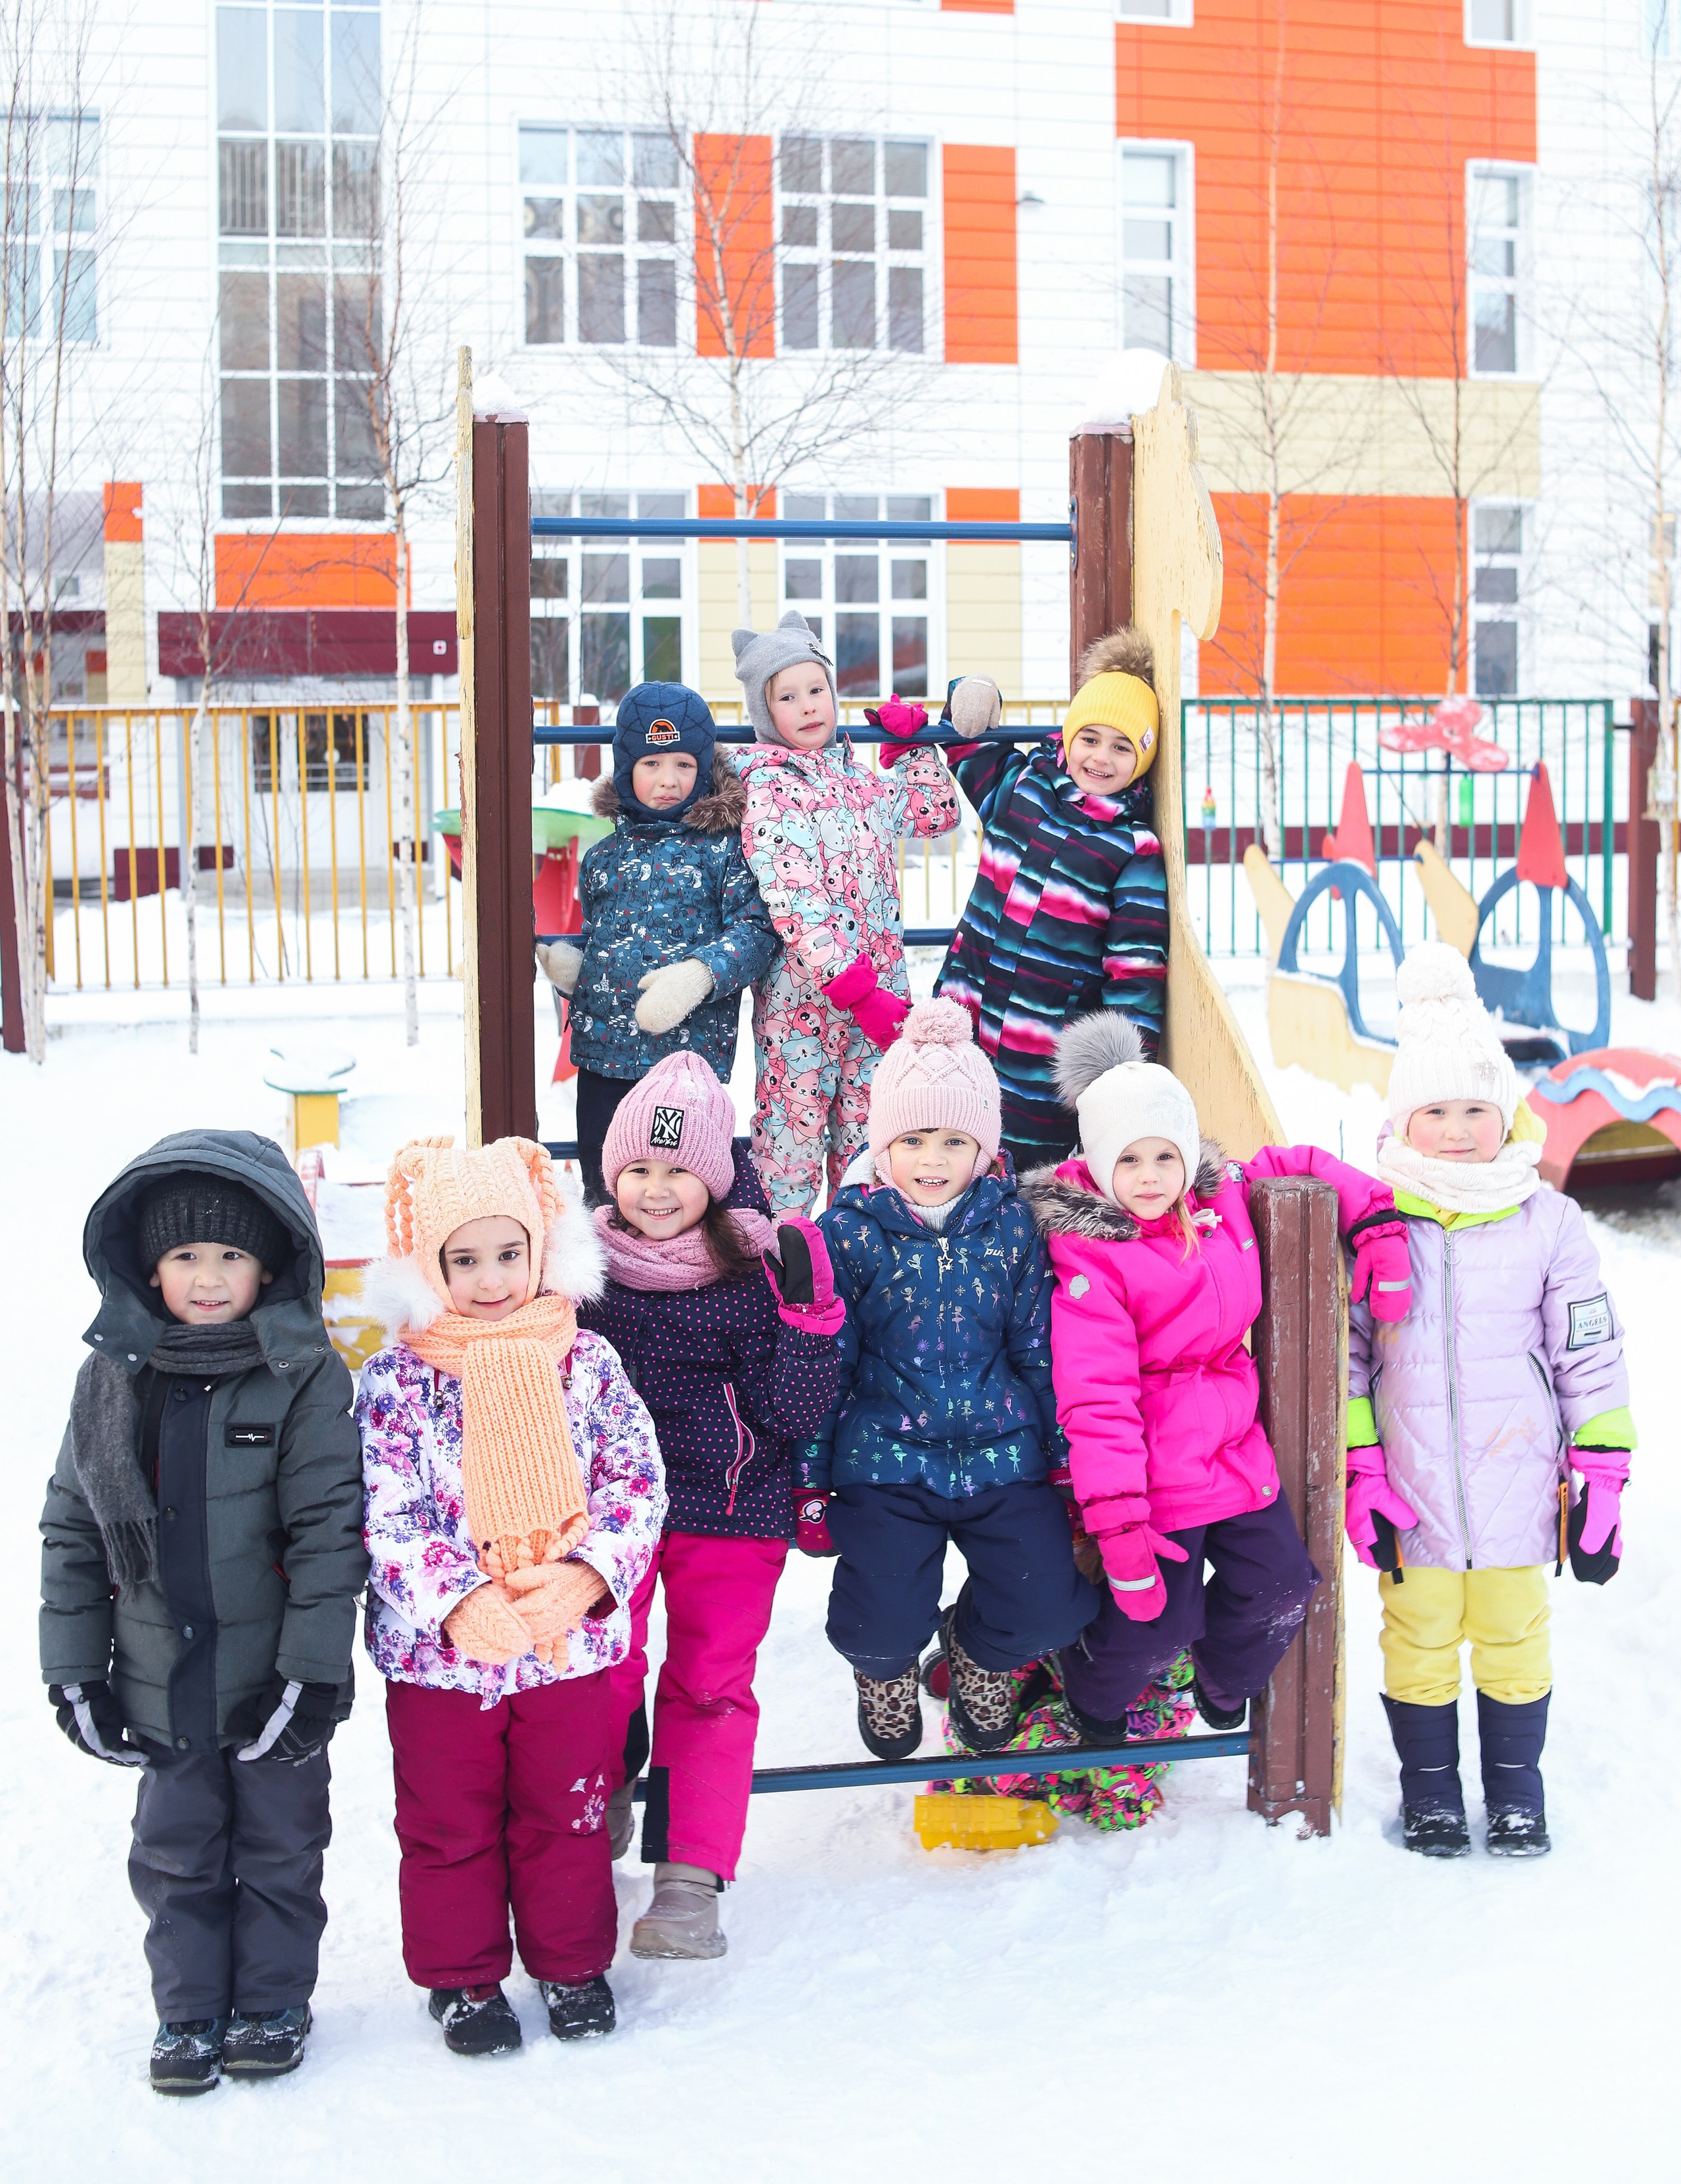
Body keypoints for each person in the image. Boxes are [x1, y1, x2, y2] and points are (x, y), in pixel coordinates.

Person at [39, 1131, 366, 2097]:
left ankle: (272, 2000)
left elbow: (326, 1535)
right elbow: (72, 1529)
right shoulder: (114, 1378)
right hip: (159, 1678)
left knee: (279, 1846)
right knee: (177, 1851)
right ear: (150, 1268)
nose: (209, 1276)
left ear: (271, 1263)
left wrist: (314, 1672)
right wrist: (75, 1669)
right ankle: (187, 2013)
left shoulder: (305, 1376)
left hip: (271, 1681)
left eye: (230, 1254)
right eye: (186, 1256)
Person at [1021, 1015, 1412, 1742]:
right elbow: (1097, 1400)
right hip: (1153, 1471)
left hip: (1235, 1453)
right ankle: (1092, 1689)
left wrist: (1377, 1226)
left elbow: (1305, 1164)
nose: (1147, 1176)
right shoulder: (1089, 1258)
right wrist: (1118, 1523)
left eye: (1164, 1156)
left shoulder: (1217, 1197)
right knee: (1155, 1620)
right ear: (1099, 1159)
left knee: (1283, 1586)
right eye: (1128, 1159)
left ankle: (1223, 1677)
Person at [356, 1136, 664, 2055]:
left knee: (566, 1808)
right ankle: (463, 1978)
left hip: (568, 1647)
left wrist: (585, 1579)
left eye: (509, 1253)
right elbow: (391, 1512)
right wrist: (457, 1602)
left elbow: (634, 1482)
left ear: (542, 1251)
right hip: (443, 1662)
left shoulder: (587, 1362)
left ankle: (572, 1961)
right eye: (463, 1259)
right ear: (427, 1264)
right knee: (448, 1821)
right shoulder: (397, 1380)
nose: (491, 1280)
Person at [1346, 943, 1634, 1859]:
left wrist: (1605, 1473)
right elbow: (1350, 1355)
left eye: (1479, 1108)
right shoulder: (1375, 1217)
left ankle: (1516, 1793)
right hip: (1412, 1483)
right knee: (1420, 1636)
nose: (1462, 1128)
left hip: (1518, 1479)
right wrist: (1361, 1469)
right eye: (1438, 1110)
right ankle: (1429, 1794)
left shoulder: (1547, 1218)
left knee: (1514, 1633)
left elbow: (1589, 1348)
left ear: (1507, 1114)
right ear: (1405, 1119)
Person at [578, 1053, 844, 1959]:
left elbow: (790, 1415)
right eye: (639, 1169)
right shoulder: (580, 1272)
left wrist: (809, 1327)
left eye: (680, 1169)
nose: (657, 1190)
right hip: (610, 1516)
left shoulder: (754, 1273)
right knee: (601, 1666)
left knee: (709, 1684)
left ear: (716, 1177)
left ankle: (690, 1875)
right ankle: (603, 1787)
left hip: (730, 1505)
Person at [804, 999, 1101, 1758]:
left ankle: (977, 1651)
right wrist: (809, 1476)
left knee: (1048, 1603)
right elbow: (825, 1361)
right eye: (911, 1140)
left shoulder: (1010, 1225)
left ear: (985, 1149)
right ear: (882, 1145)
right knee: (878, 1617)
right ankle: (884, 1670)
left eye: (952, 1140)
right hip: (886, 1460)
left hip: (1003, 1452)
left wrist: (1063, 1451)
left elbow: (1038, 1344)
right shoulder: (850, 1231)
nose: (931, 1159)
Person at [732, 611, 959, 1215]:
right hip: (802, 1009)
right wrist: (856, 991)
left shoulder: (861, 780)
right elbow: (795, 903)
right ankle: (781, 1279)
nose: (808, 706)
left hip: (878, 1005)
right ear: (765, 711)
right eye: (788, 696)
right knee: (791, 1148)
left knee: (870, 1146)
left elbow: (935, 816)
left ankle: (855, 1271)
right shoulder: (766, 786)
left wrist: (913, 750)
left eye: (817, 690)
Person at [934, 630, 1168, 1175]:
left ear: (1143, 757)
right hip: (963, 1021)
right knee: (951, 1143)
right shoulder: (1022, 787)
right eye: (1090, 738)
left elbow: (1135, 974)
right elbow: (967, 738)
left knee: (1021, 1172)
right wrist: (974, 692)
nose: (1101, 758)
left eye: (1122, 746)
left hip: (1040, 1055)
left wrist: (1121, 1078)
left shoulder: (1132, 850)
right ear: (1069, 735)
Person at [536, 679, 778, 1204]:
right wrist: (580, 973)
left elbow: (757, 933)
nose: (667, 780)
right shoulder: (602, 859)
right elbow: (608, 940)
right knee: (605, 1190)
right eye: (651, 764)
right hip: (603, 1062)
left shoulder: (724, 851)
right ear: (626, 769)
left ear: (703, 769)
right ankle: (608, 1284)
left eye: (684, 765)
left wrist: (698, 977)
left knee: (672, 1192)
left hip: (683, 1066)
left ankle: (680, 1281)